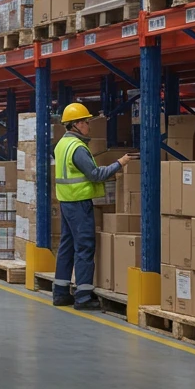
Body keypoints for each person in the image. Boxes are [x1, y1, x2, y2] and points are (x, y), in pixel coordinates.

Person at [52, 102, 131, 310]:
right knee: (85, 247)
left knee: (67, 247)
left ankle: (60, 292)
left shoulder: (61, 144)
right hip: (78, 204)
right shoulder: (77, 148)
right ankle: (83, 297)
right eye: (86, 122)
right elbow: (95, 175)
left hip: (67, 202)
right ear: (76, 124)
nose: (89, 126)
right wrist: (120, 163)